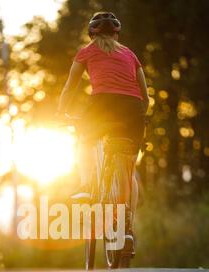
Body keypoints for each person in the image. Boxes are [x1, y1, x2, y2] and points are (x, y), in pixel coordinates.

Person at [56, 11, 149, 246]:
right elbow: (144, 95)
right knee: (128, 169)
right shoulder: (129, 54)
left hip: (102, 105)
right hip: (132, 109)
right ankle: (128, 224)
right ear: (116, 33)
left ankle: (88, 186)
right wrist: (139, 115)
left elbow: (70, 87)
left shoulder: (86, 52)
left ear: (91, 33)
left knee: (85, 142)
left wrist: (61, 113)